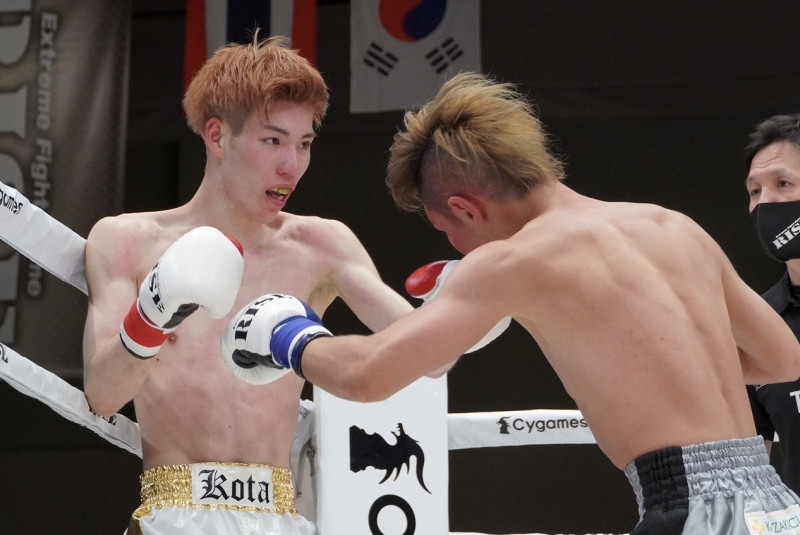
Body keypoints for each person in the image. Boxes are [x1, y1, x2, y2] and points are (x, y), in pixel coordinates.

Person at [221, 73, 800, 534]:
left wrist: (286, 333)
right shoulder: (672, 225)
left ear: (465, 208)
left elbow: (369, 375)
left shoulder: (511, 262)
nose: (455, 246)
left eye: (446, 229)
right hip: (777, 507)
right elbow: (783, 358)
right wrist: (674, 364)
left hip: (692, 512)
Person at [81, 34, 416, 534]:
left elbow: (426, 353)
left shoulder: (321, 246)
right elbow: (103, 396)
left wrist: (469, 294)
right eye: (273, 140)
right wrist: (153, 311)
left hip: (280, 518)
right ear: (217, 137)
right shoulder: (126, 241)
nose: (291, 166)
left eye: (304, 144)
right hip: (174, 516)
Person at [744, 113, 800, 495]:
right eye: (754, 191)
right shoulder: (757, 327)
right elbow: (749, 479)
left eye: (782, 183)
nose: (765, 202)